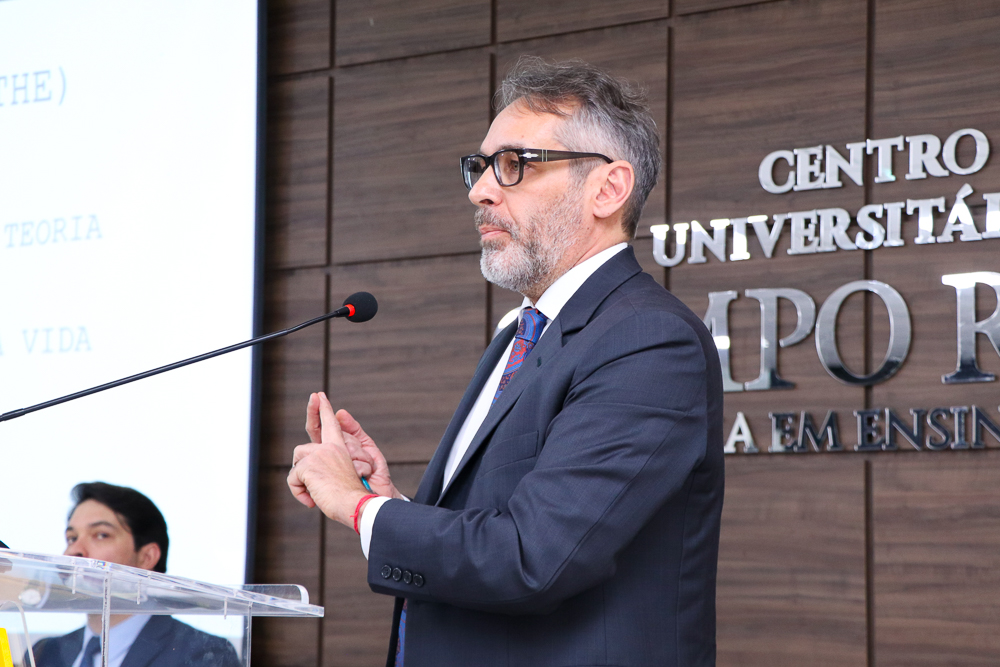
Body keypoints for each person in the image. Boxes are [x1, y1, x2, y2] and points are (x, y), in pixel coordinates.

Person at [288, 57, 725, 667]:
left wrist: (359, 508)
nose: (480, 191)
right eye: (481, 166)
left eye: (515, 164)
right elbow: (497, 527)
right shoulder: (521, 334)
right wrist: (389, 501)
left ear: (607, 189)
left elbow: (534, 559)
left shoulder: (649, 339)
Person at [31, 482, 240, 667]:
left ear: (146, 557)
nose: (74, 551)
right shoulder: (44, 653)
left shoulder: (203, 655)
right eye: (72, 537)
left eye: (101, 535)